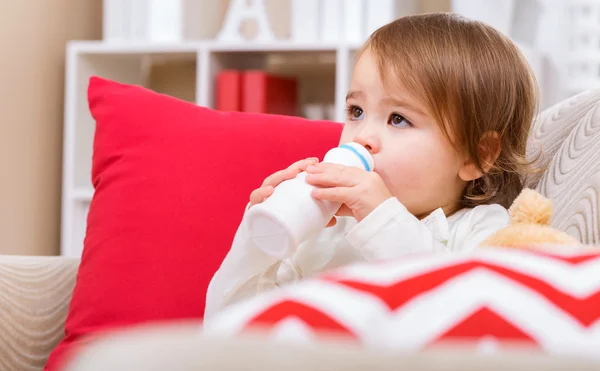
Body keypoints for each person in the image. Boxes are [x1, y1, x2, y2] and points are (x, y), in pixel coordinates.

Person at [204, 12, 539, 321]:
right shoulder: (323, 232)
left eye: (399, 119)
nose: (362, 136)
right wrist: (257, 241)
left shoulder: (481, 230)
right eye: (356, 111)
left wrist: (382, 218)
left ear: (476, 155)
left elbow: (457, 315)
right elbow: (228, 326)